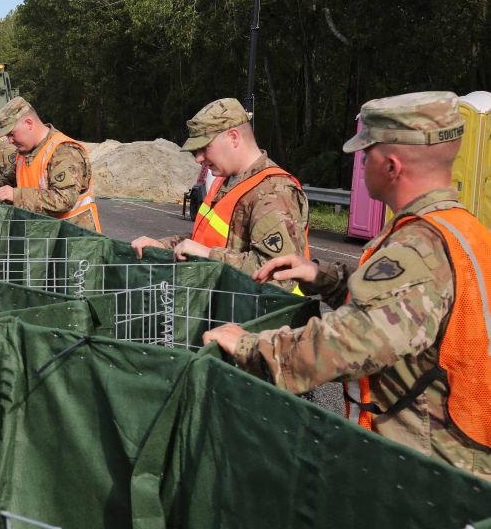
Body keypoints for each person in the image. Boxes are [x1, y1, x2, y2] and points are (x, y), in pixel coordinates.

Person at [203, 92, 491, 480]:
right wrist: (324, 278)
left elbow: (346, 345)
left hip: (428, 468)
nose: (361, 163)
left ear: (391, 166)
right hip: (459, 452)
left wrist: (250, 346)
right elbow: (408, 316)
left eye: (366, 153)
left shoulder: (417, 251)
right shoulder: (463, 230)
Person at [130, 98, 309, 294]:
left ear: (233, 137)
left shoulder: (273, 192)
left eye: (205, 148)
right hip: (228, 304)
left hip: (263, 311)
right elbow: (208, 241)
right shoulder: (227, 182)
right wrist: (163, 246)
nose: (198, 158)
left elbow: (281, 274)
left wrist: (208, 255)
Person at [0, 96, 101, 232]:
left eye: (12, 134)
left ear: (29, 123)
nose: (10, 141)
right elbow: (7, 180)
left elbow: (64, 199)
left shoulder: (64, 151)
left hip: (72, 237)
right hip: (45, 235)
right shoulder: (24, 153)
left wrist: (16, 195)